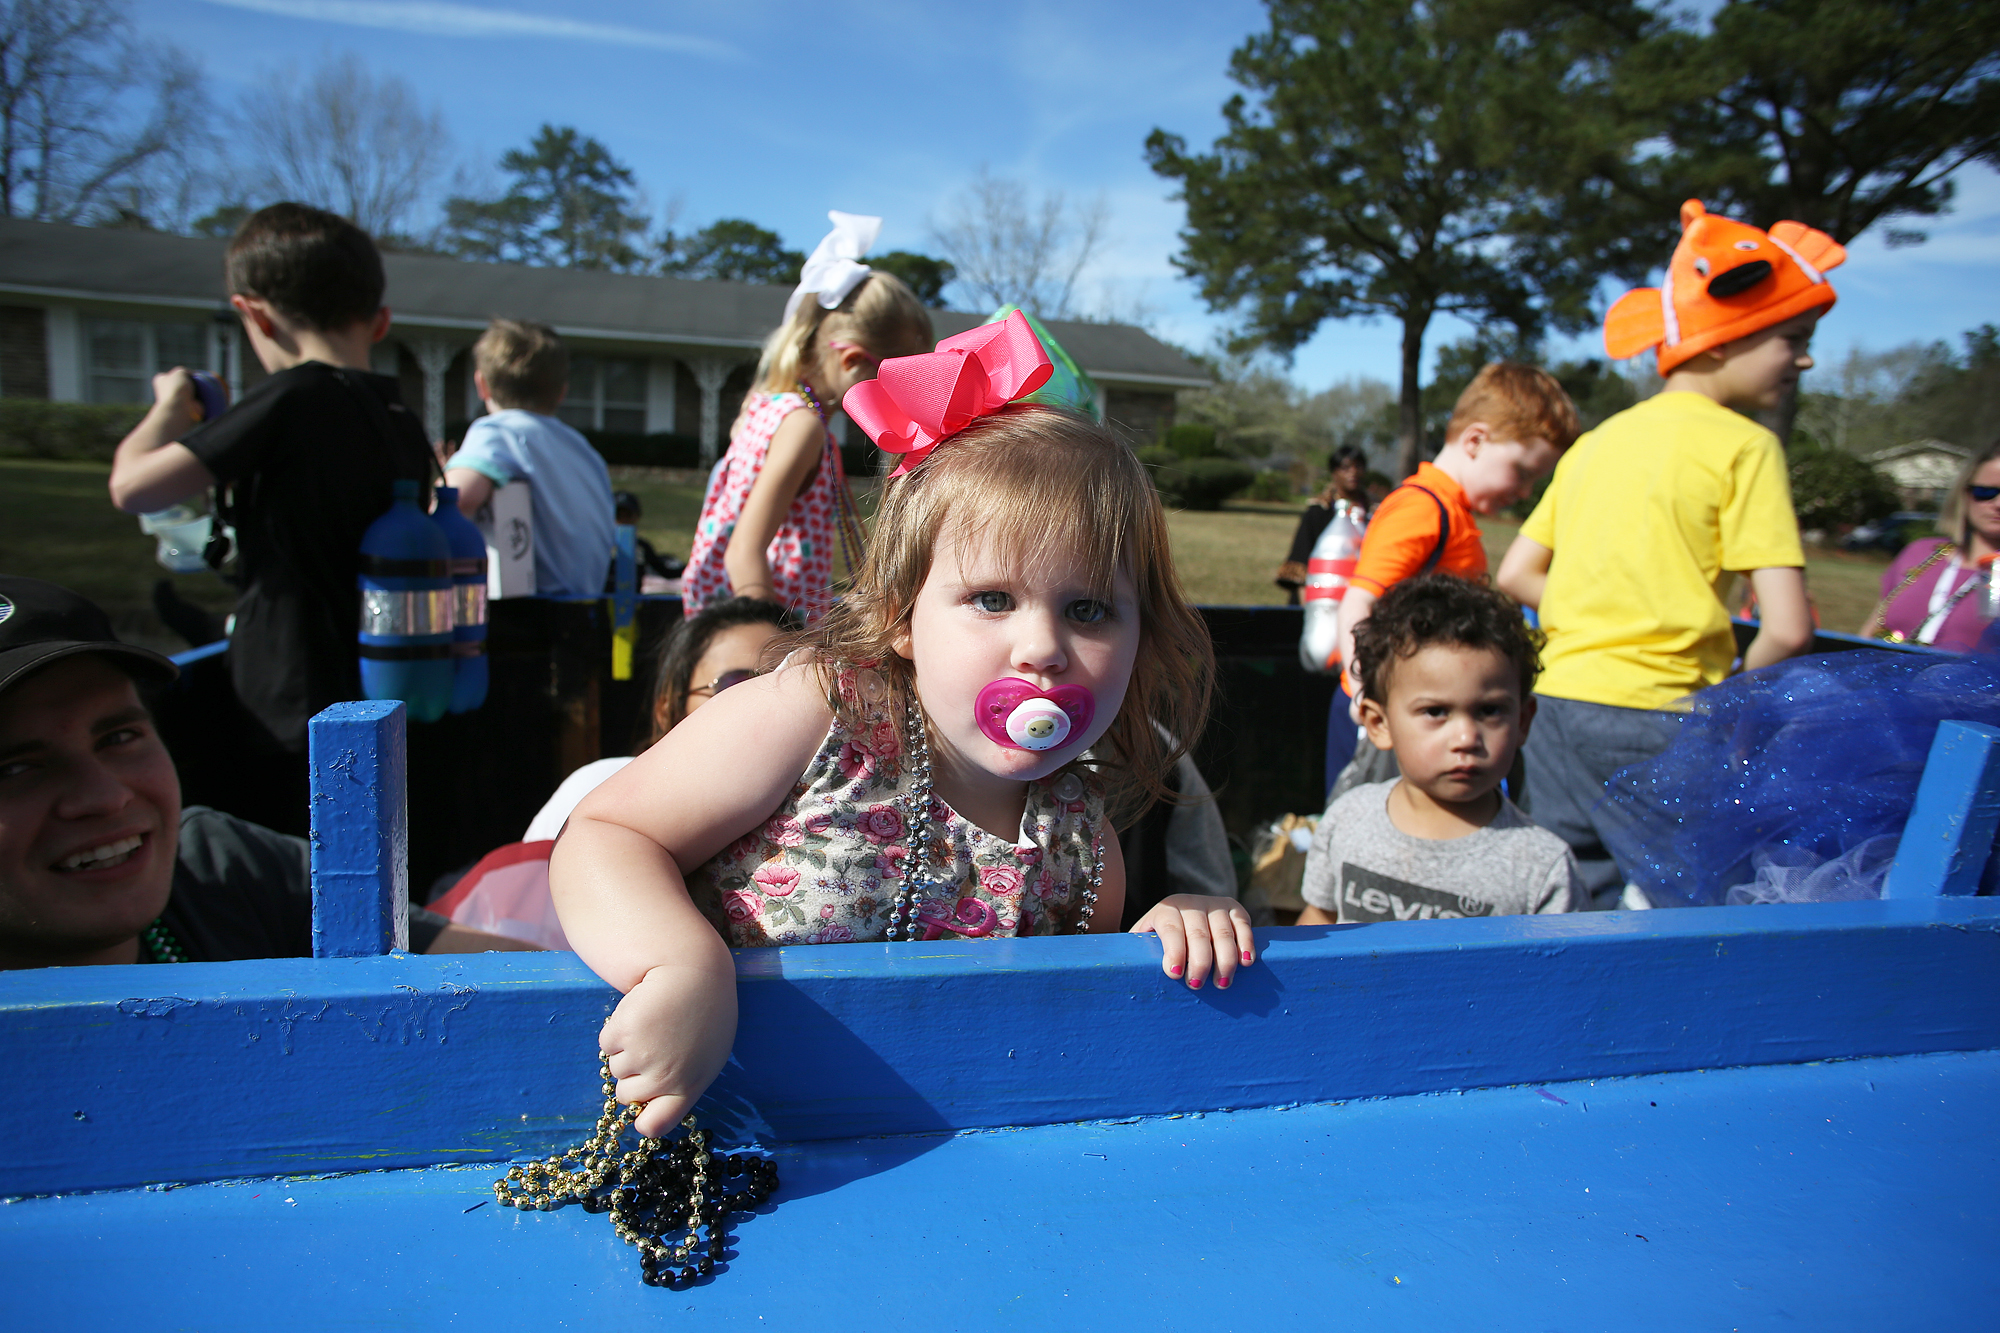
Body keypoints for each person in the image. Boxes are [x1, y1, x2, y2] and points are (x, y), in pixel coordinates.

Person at [551, 314, 1255, 1136]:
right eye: (992, 598)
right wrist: (678, 962)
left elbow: (1063, 1036)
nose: (1042, 647)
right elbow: (605, 834)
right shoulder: (818, 714)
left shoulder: (1081, 843)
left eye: (1090, 609)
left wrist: (1157, 937)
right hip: (724, 1139)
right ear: (900, 615)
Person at [1496, 199, 1836, 908]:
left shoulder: (1594, 445)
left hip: (1553, 708)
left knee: (1567, 903)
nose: (1804, 358)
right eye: (1791, 338)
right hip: (1663, 714)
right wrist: (1734, 711)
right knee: (1698, 909)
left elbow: (1517, 572)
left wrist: (1601, 618)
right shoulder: (1746, 446)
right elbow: (1787, 628)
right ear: (1722, 338)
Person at [106, 202, 434, 836]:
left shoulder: (290, 397)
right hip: (376, 683)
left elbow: (132, 486)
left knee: (284, 860)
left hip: (284, 692)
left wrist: (171, 404)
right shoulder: (399, 417)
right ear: (380, 320)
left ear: (253, 313)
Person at [0, 578, 529, 968]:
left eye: (118, 738)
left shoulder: (222, 869)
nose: (104, 796)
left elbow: (522, 984)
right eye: (16, 769)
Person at [1325, 363, 1579, 797]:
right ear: (1475, 441)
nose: (1523, 492)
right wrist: (1368, 697)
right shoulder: (1422, 508)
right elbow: (1359, 602)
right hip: (1386, 715)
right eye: (1521, 472)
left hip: (1421, 714)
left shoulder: (1452, 512)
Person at [681, 212, 933, 622]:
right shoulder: (802, 428)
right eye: (895, 380)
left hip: (723, 622)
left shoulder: (766, 404)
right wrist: (766, 642)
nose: (901, 399)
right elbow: (743, 553)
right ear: (852, 361)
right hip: (755, 629)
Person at [1298, 574, 1578, 925]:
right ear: (1378, 724)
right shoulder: (1347, 819)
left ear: (1523, 720)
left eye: (1490, 711)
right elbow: (1319, 918)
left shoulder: (1543, 866)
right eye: (1435, 712)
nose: (1466, 738)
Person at [522, 597, 800, 842]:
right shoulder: (594, 792)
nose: (767, 706)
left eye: (791, 685)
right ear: (669, 710)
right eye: (736, 684)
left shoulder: (819, 813)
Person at [444, 319, 617, 597]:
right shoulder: (583, 450)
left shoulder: (497, 431)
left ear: (482, 384)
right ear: (562, 392)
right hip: (586, 606)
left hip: (525, 611)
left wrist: (443, 487)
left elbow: (458, 499)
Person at [1863, 440, 2000, 651]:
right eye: (1986, 492)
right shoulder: (1920, 552)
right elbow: (1870, 630)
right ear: (1964, 494)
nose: (1998, 504)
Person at [1275, 444, 1371, 605]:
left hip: (1360, 595)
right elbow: (1301, 560)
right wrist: (1307, 609)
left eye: (1358, 466)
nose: (1353, 472)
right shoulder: (1319, 511)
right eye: (1345, 467)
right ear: (1334, 472)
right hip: (1320, 597)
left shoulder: (1374, 512)